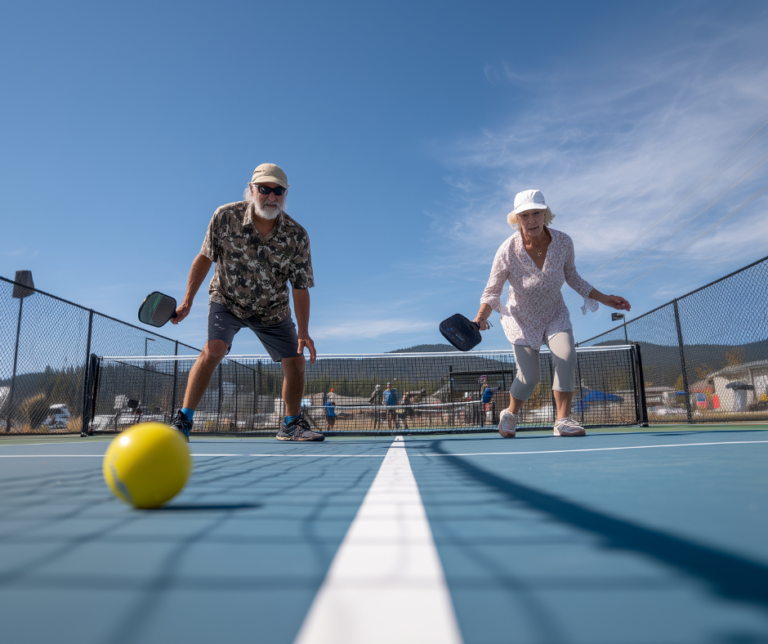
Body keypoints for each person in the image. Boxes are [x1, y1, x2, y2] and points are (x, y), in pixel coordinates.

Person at [168, 163, 323, 442]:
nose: (271, 196)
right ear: (252, 190)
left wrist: (303, 332)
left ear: (286, 194)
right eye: (265, 189)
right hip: (227, 301)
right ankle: (183, 421)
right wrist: (187, 301)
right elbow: (204, 257)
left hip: (272, 311)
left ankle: (291, 424)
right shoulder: (225, 216)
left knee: (296, 363)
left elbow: (300, 288)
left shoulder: (297, 236)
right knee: (213, 348)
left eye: (278, 191)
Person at [474, 189, 630, 439]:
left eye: (536, 213)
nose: (532, 220)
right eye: (525, 215)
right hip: (521, 319)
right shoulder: (507, 250)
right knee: (529, 377)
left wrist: (605, 298)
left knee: (566, 356)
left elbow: (573, 277)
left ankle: (562, 420)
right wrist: (481, 317)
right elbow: (492, 291)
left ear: (545, 213)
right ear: (517, 219)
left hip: (554, 312)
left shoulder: (564, 242)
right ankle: (511, 414)